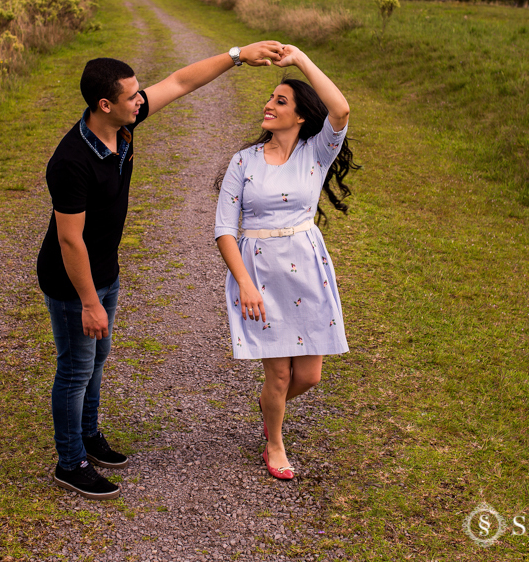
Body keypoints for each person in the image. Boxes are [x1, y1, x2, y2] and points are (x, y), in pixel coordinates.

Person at [37, 42, 284, 500]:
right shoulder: (71, 161)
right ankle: (69, 461)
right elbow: (70, 240)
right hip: (73, 280)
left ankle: (89, 436)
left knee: (97, 360)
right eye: (133, 97)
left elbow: (181, 81)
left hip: (104, 269)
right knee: (75, 368)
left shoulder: (120, 125)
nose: (141, 100)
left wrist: (236, 55)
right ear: (105, 105)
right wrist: (89, 302)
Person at [213, 44, 355, 480]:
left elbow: (341, 108)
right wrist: (244, 285)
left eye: (280, 101)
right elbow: (224, 230)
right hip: (261, 274)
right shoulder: (244, 161)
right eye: (270, 98)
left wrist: (301, 60)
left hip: (307, 268)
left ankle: (267, 405)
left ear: (301, 117)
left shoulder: (316, 153)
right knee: (277, 374)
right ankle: (274, 443)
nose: (268, 105)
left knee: (309, 375)